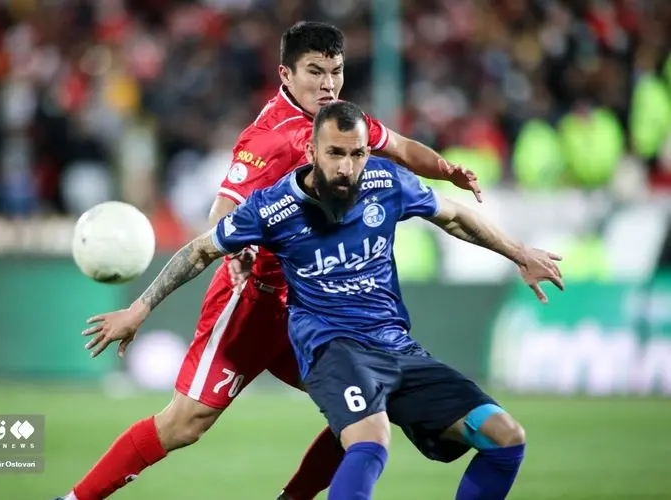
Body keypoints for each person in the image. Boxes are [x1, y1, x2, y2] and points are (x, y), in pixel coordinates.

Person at [58, 22, 482, 500]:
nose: (328, 84)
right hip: (253, 303)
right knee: (184, 424)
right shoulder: (270, 139)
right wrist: (236, 253)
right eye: (315, 72)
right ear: (286, 74)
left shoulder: (340, 124)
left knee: (364, 404)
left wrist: (446, 170)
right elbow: (222, 211)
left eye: (336, 72)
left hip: (309, 306)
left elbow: (401, 148)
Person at [79, 101, 564, 499]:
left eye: (357, 154)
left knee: (505, 438)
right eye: (335, 153)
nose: (347, 167)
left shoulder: (387, 184)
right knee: (370, 438)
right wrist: (139, 309)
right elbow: (201, 249)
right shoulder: (275, 207)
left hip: (397, 348)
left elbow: (454, 215)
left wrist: (520, 254)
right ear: (311, 150)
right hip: (332, 348)